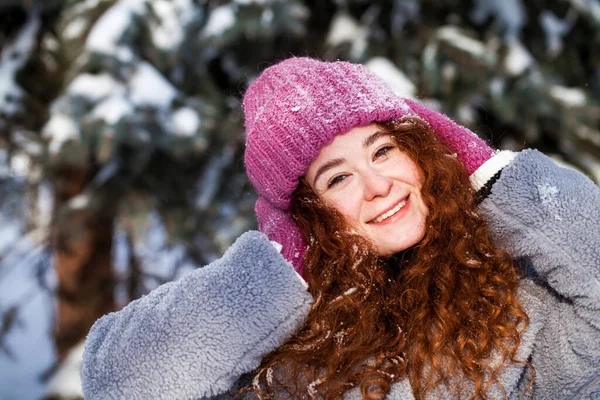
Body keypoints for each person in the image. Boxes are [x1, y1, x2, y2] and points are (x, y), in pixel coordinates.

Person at [80, 58, 600, 399]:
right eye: (339, 177)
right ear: (307, 214)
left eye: (383, 150)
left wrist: (488, 178)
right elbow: (117, 382)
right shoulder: (290, 348)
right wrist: (280, 272)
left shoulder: (519, 299)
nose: (377, 184)